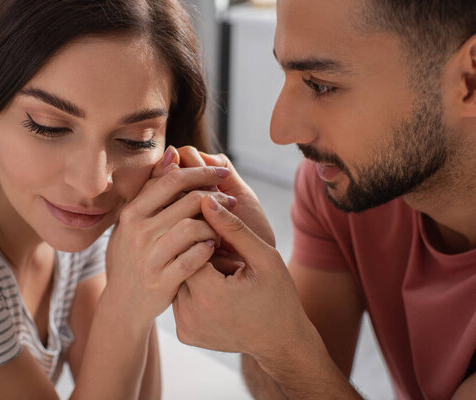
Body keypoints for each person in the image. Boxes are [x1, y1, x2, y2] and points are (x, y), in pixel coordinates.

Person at [0, 1, 238, 399]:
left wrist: (148, 259)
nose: (92, 184)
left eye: (136, 140)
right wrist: (126, 306)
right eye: (49, 127)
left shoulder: (68, 222)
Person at [169, 0, 476, 399]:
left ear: (469, 79)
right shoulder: (347, 186)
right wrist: (258, 294)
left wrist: (282, 346)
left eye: (321, 85)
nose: (280, 129)